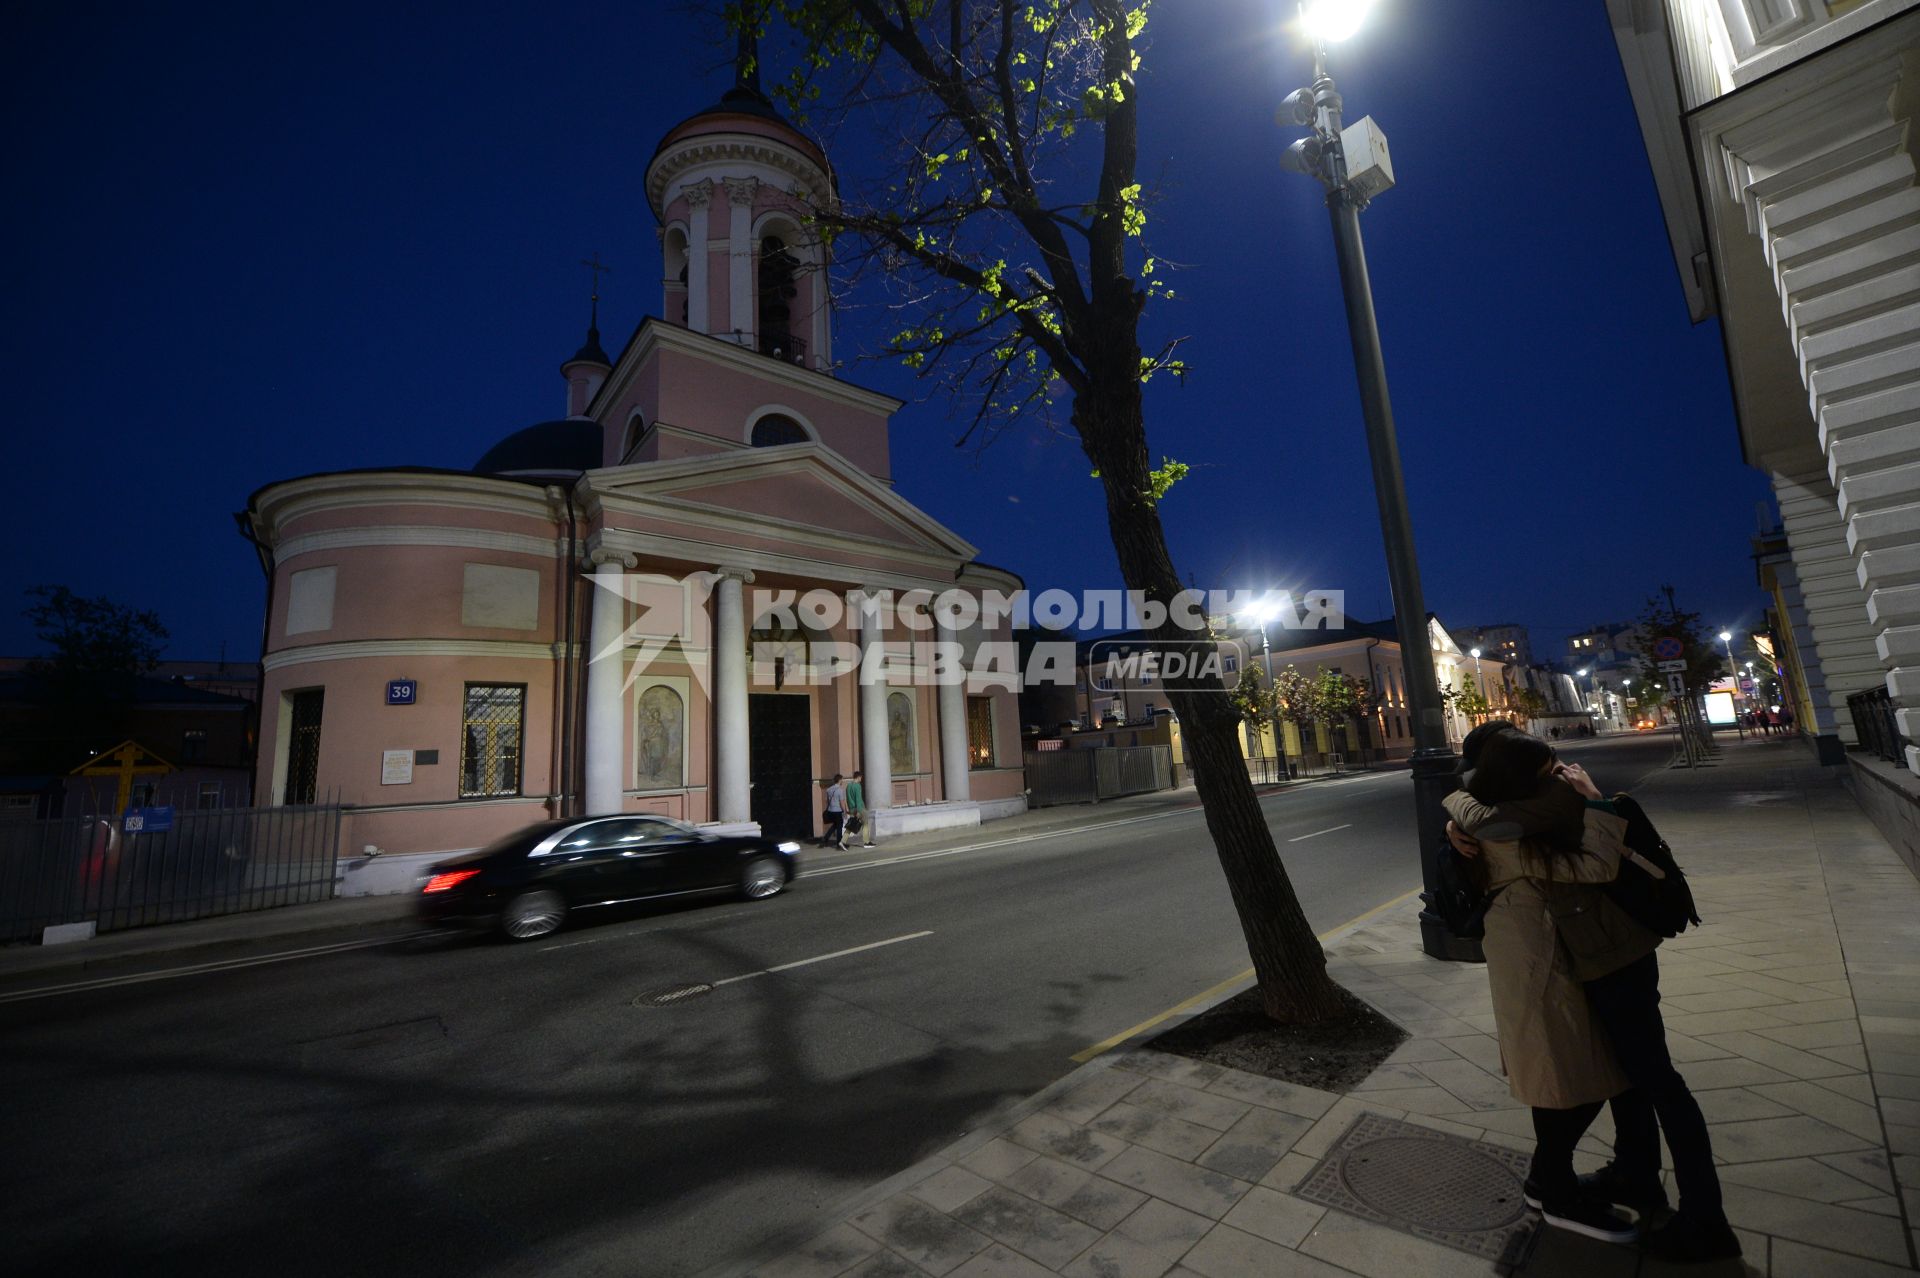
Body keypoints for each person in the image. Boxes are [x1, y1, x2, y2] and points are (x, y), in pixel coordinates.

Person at [1449, 730, 1738, 1263]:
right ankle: (1635, 1175)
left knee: (1656, 1084)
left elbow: (1590, 862)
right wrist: (1457, 819)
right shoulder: (1527, 814)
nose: (1560, 768)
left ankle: (1705, 1219)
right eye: (1547, 764)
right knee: (1631, 1081)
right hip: (1603, 957)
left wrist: (1597, 802)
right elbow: (1486, 821)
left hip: (1617, 956)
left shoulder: (1549, 805)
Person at [1442, 732, 1639, 1246]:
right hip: (1537, 954)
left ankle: (1545, 1180)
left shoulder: (1501, 815)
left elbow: (1474, 810)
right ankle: (1555, 1191)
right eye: (1549, 768)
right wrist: (1595, 802)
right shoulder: (1510, 832)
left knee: (1565, 1068)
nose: (1560, 771)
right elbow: (1597, 866)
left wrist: (1452, 812)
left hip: (1532, 948)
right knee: (1569, 1074)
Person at [847, 770, 875, 849]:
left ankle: (842, 841)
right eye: (861, 777)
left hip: (852, 808)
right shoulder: (857, 786)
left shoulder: (848, 786)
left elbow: (848, 799)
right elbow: (858, 800)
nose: (861, 779)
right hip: (859, 809)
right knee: (865, 824)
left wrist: (850, 809)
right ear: (858, 777)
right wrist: (859, 811)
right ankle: (866, 842)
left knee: (851, 825)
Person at [821, 774, 848, 850]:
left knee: (835, 825)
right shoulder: (840, 790)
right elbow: (842, 802)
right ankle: (839, 843)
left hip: (830, 811)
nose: (842, 781)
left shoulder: (829, 789)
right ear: (839, 780)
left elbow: (827, 801)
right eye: (842, 779)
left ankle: (826, 838)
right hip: (838, 811)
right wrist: (845, 812)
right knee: (839, 827)